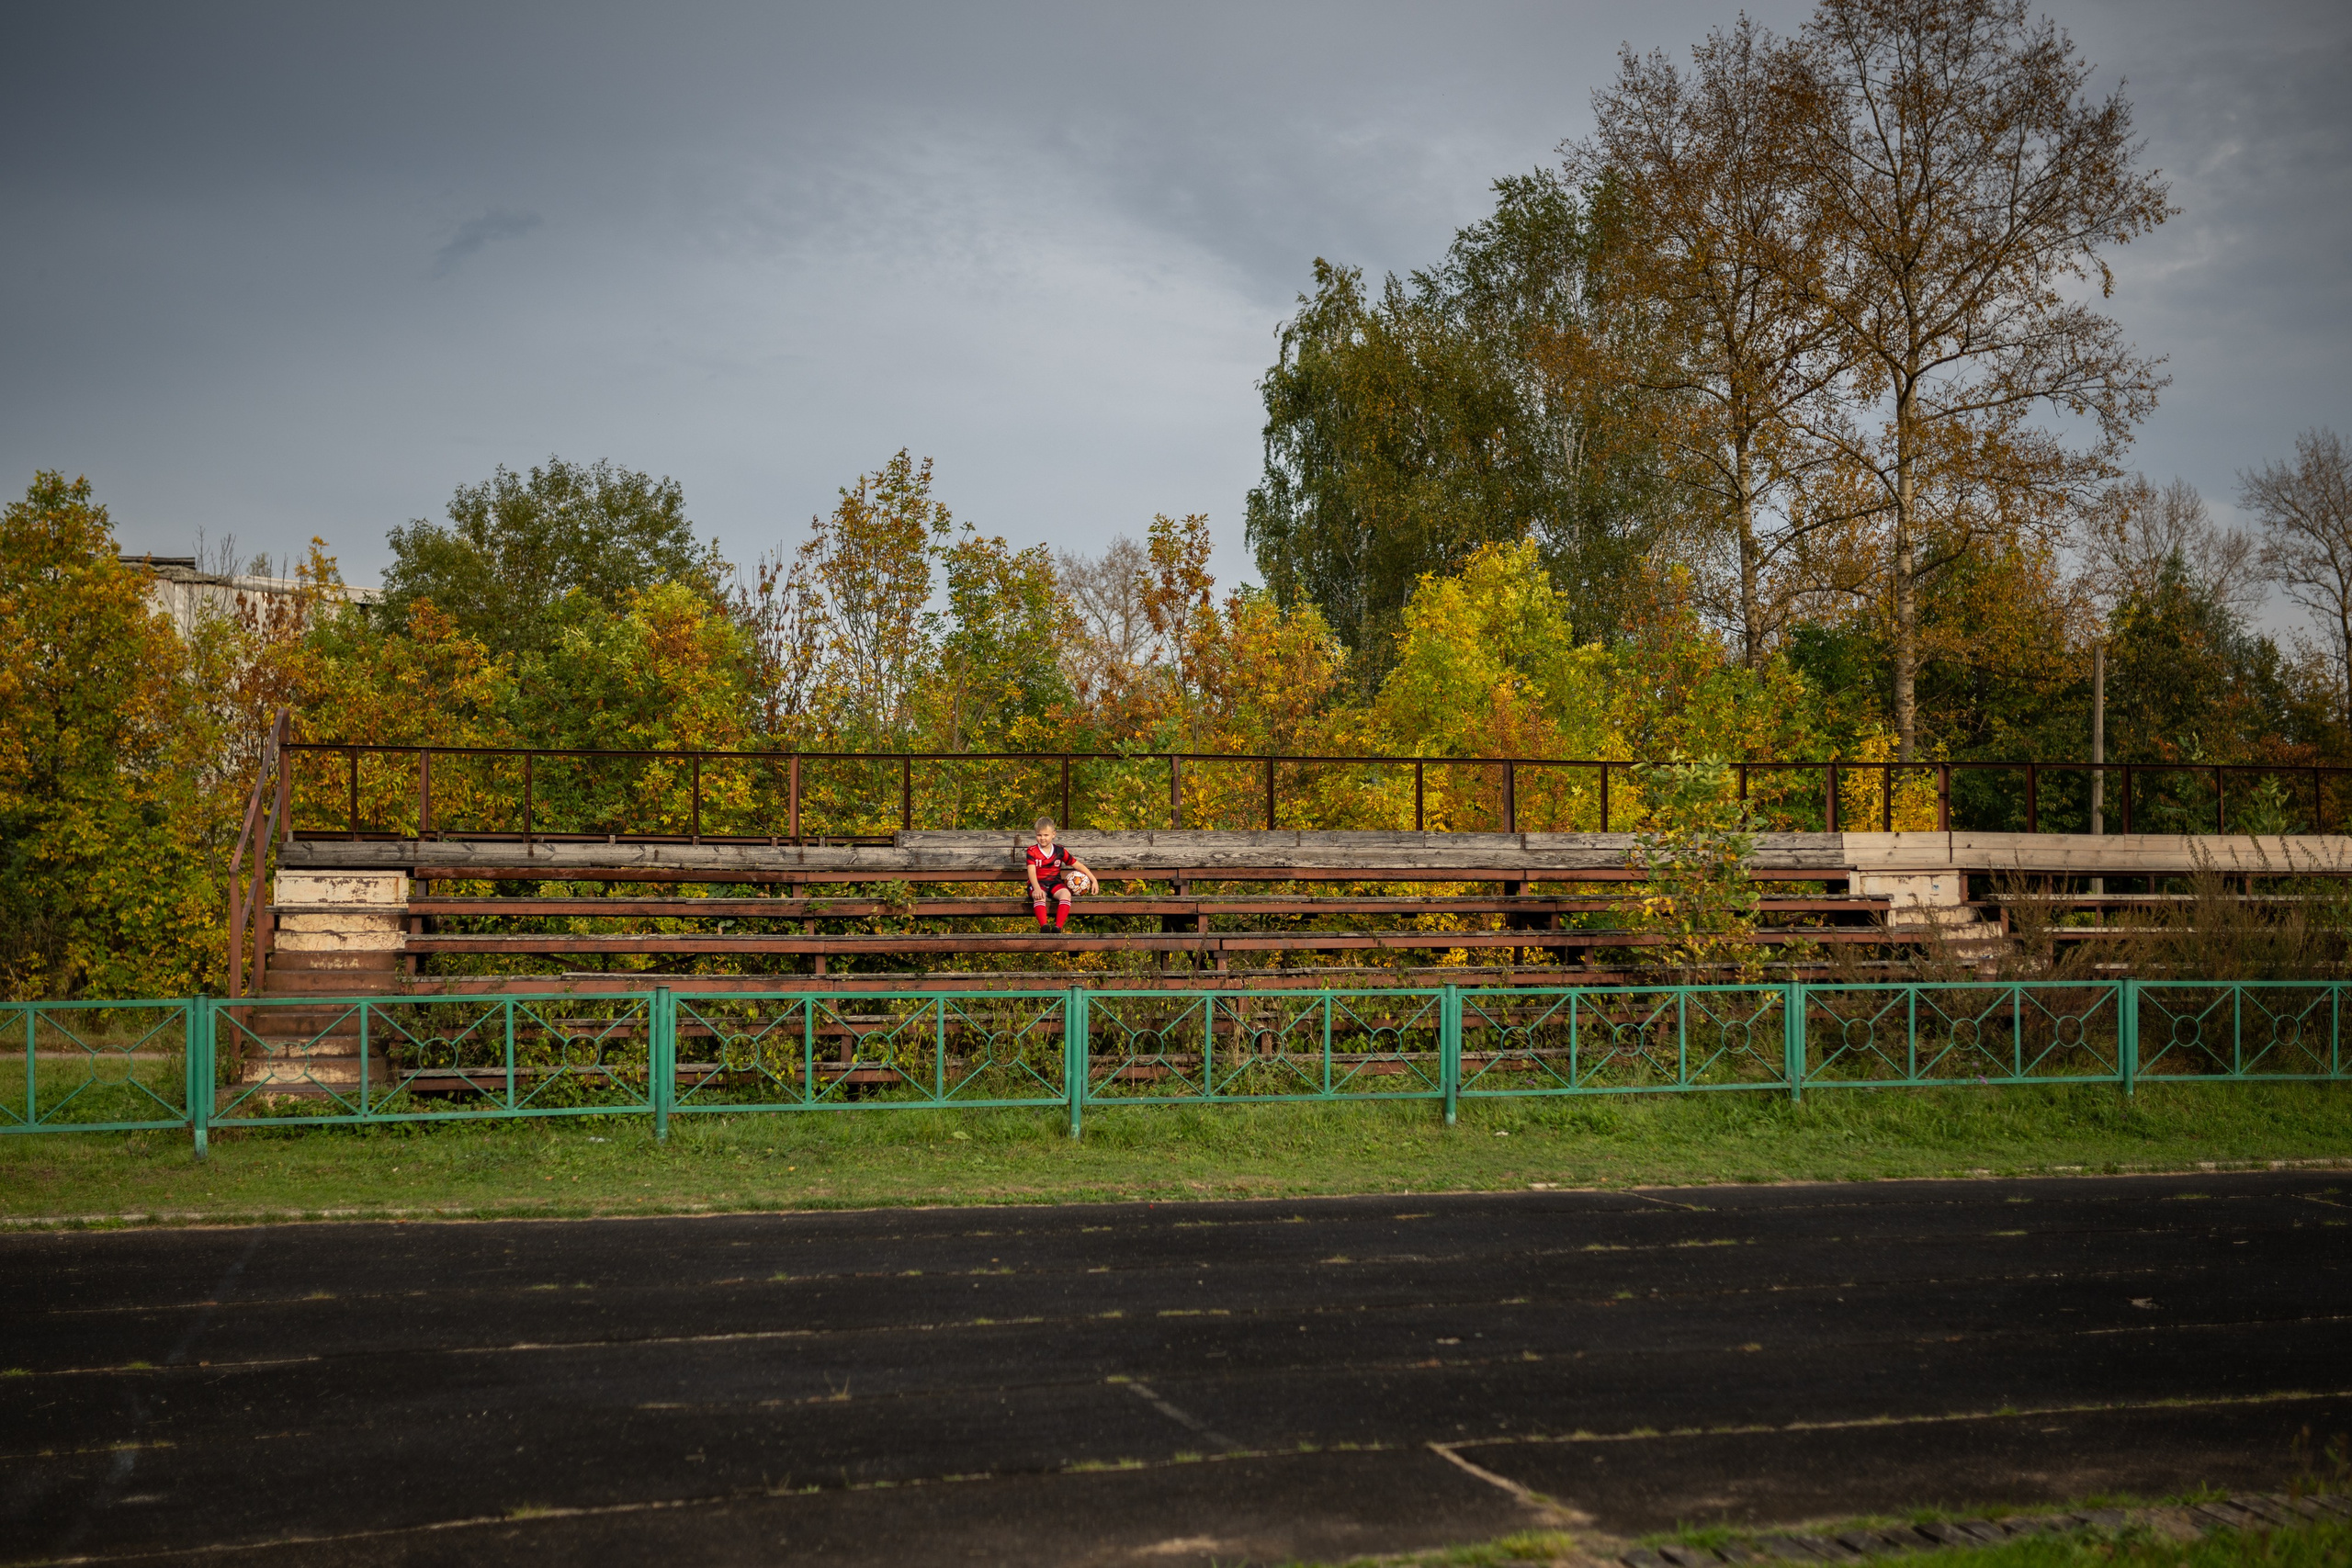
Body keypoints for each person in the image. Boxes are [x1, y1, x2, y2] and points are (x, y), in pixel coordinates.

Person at [1024, 818, 1093, 933]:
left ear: (1053, 834)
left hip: (1054, 883)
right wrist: (1036, 888)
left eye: (1046, 835)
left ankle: (1058, 927)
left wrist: (1094, 879)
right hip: (1037, 883)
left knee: (1066, 894)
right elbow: (1031, 872)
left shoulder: (1059, 850)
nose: (1042, 838)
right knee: (1040, 896)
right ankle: (1044, 926)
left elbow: (1077, 865)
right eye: (1039, 835)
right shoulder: (1032, 851)